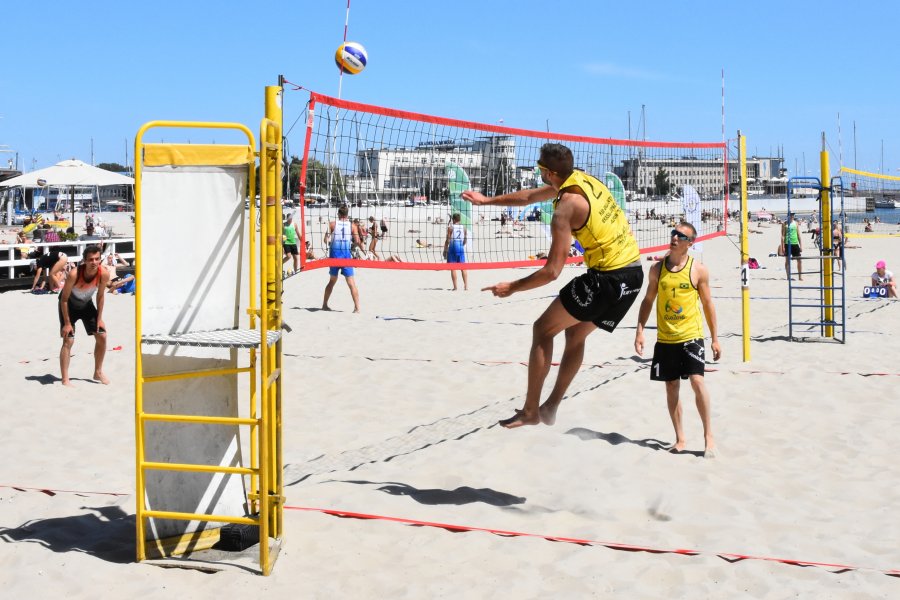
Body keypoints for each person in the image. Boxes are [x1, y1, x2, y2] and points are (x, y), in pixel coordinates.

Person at [462, 142, 643, 429]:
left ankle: (531, 411)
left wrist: (513, 286)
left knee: (542, 329)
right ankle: (550, 408)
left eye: (539, 167)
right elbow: (529, 196)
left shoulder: (565, 210)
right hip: (634, 276)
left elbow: (552, 271)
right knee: (574, 334)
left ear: (548, 172)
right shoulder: (582, 179)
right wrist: (486, 201)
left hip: (608, 279)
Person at [634, 222, 721, 458]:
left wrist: (714, 338)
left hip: (691, 335)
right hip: (665, 339)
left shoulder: (698, 270)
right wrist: (640, 330)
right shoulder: (657, 269)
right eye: (673, 233)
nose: (674, 237)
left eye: (681, 236)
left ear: (689, 243)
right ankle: (680, 437)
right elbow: (647, 301)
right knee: (671, 386)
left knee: (697, 381)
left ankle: (708, 437)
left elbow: (708, 304)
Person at [58, 245, 111, 386]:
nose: (94, 262)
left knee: (102, 336)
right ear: (84, 261)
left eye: (97, 259)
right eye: (91, 259)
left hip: (86, 304)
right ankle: (65, 379)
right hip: (69, 305)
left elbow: (100, 297)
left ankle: (98, 372)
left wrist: (99, 319)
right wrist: (67, 323)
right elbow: (63, 299)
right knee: (68, 340)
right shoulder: (74, 274)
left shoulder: (103, 273)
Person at [322, 205, 362, 312]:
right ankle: (357, 308)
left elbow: (325, 240)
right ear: (347, 215)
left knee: (331, 282)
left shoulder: (332, 224)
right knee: (351, 283)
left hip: (334, 256)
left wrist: (331, 243)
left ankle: (324, 305)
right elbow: (358, 241)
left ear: (338, 214)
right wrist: (351, 246)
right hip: (346, 257)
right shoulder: (352, 226)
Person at [443, 212, 469, 291]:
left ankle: (455, 287)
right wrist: (462, 245)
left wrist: (445, 250)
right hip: (460, 248)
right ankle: (466, 286)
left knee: (453, 268)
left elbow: (447, 240)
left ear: (453, 219)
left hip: (452, 248)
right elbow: (465, 240)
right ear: (459, 219)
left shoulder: (451, 228)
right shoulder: (464, 227)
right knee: (463, 267)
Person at [782, 212, 802, 280]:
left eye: (793, 215)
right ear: (788, 215)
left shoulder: (796, 223)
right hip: (787, 243)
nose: (792, 216)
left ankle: (800, 276)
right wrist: (782, 247)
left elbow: (798, 234)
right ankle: (788, 276)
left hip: (795, 243)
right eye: (791, 214)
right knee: (787, 261)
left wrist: (801, 245)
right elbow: (782, 236)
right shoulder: (784, 223)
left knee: (799, 260)